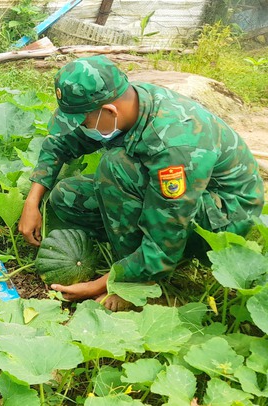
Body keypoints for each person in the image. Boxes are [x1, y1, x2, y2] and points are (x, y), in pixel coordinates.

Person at [18, 55, 264, 311]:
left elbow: (165, 238)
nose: (81, 127)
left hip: (224, 215)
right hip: (179, 199)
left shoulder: (173, 145)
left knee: (116, 167)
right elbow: (63, 143)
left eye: (83, 121)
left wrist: (106, 283)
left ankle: (143, 282)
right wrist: (32, 201)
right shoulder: (128, 104)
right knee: (67, 196)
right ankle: (137, 258)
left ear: (109, 111)